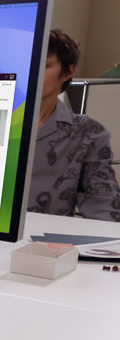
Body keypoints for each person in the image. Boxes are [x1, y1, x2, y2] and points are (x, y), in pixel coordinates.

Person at [28, 29, 120, 221]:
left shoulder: (87, 133)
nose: (31, 72)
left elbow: (103, 206)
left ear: (68, 71)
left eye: (44, 65)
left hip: (42, 243)